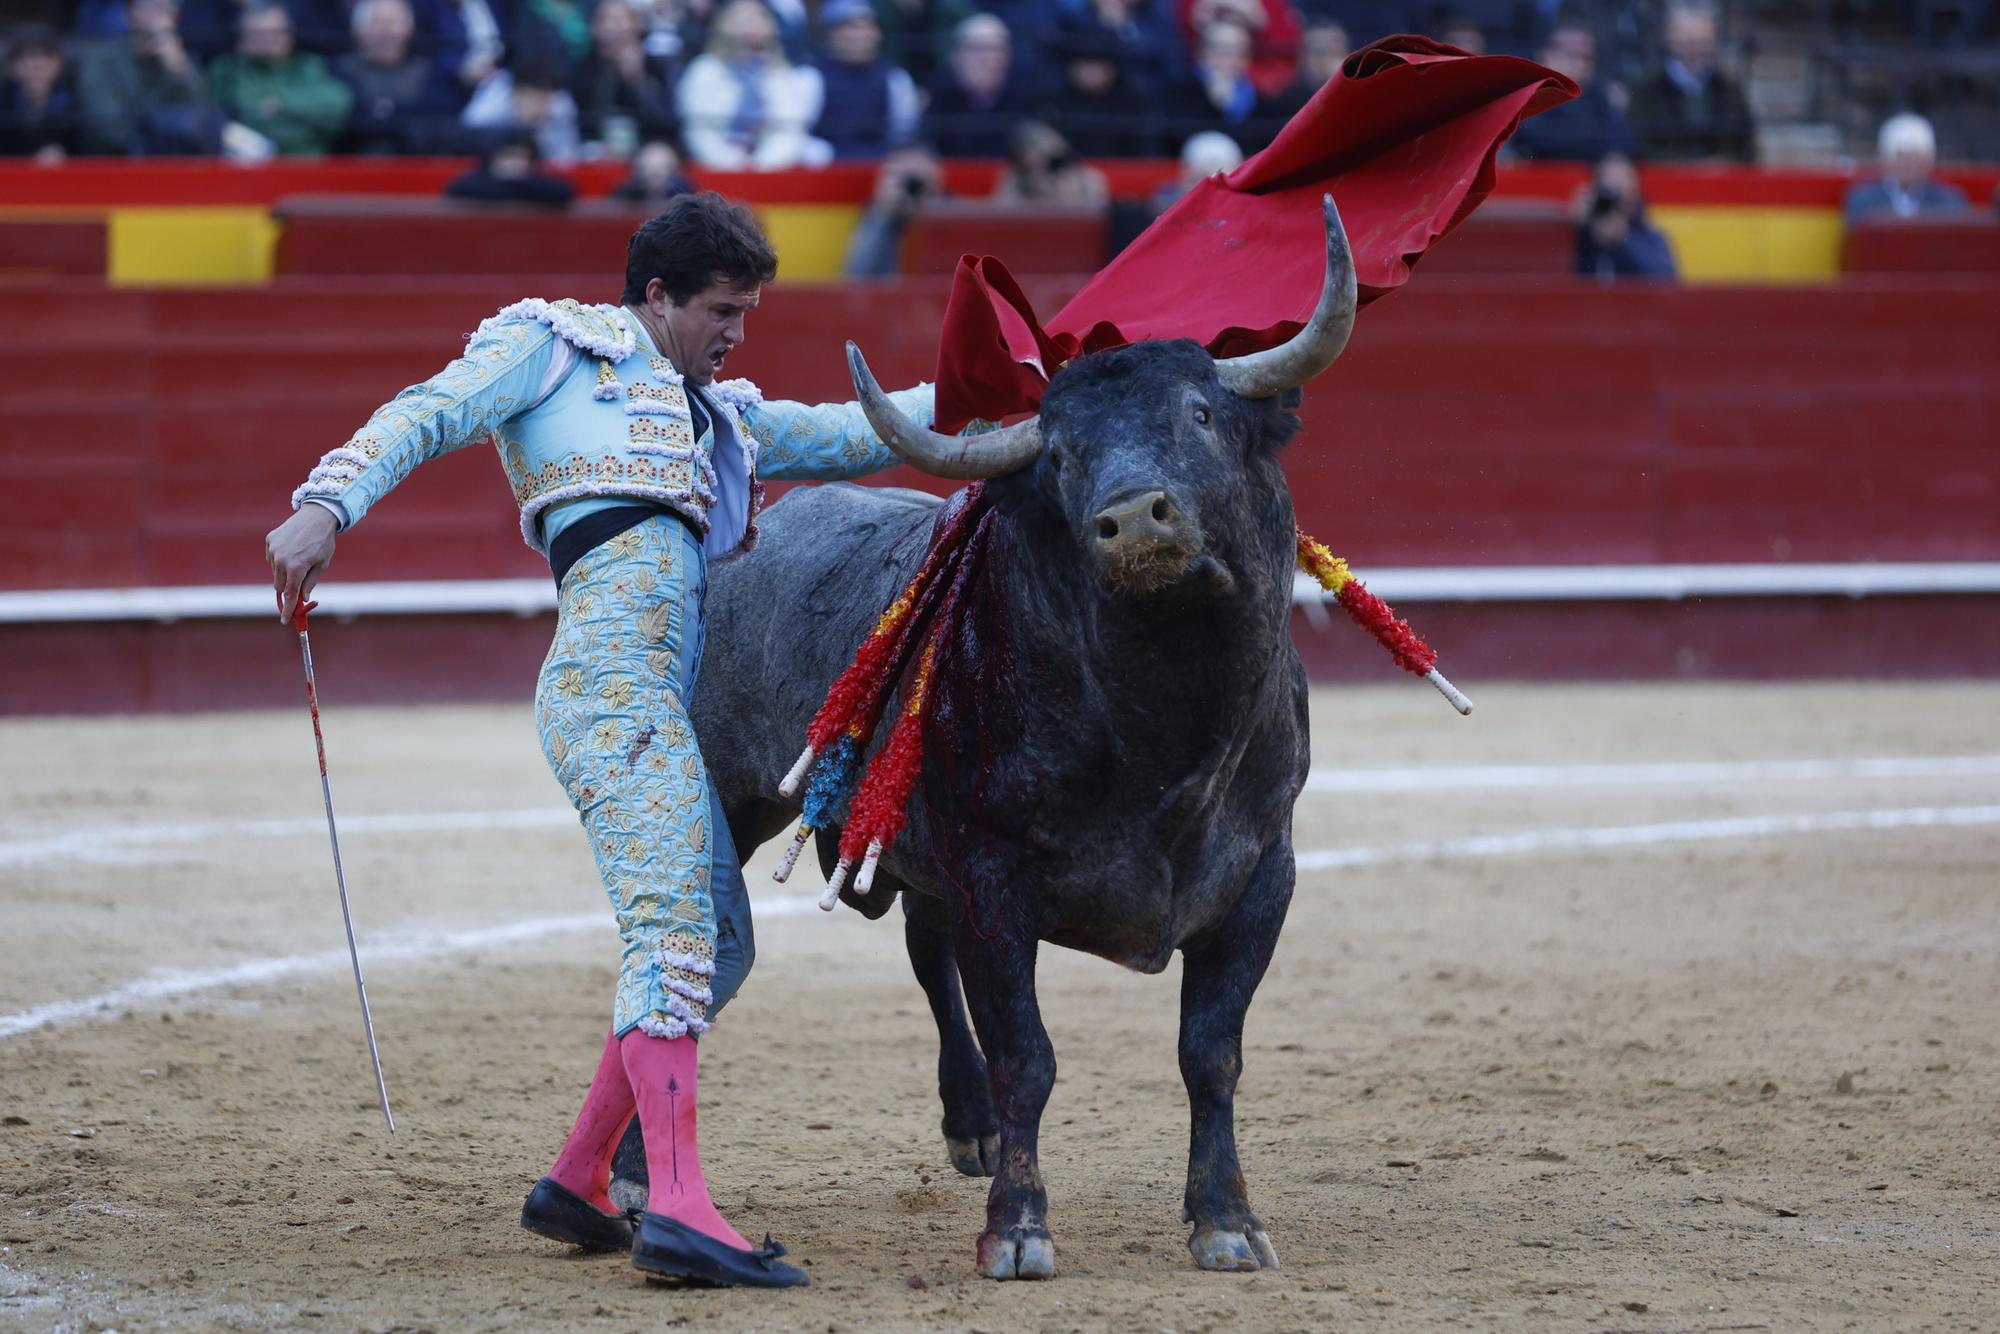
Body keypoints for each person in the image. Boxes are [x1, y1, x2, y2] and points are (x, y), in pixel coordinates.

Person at [266, 192, 947, 1289]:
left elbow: (862, 428)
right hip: (606, 688)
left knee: (715, 943)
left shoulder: (714, 412)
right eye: (722, 309)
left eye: (750, 311)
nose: (737, 331)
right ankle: (676, 1206)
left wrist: (1012, 378)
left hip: (648, 700)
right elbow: (428, 410)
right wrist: (327, 503)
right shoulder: (554, 345)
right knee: (677, 931)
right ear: (657, 295)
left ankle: (580, 1176)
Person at [675, 0, 830, 169]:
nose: (750, 26)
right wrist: (731, 163)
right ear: (724, 26)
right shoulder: (704, 70)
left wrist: (763, 164)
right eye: (742, 19)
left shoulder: (785, 74)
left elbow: (790, 129)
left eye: (758, 19)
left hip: (771, 169)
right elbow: (698, 130)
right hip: (715, 166)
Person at [74, 0, 223, 154]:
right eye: (154, 5)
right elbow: (108, 131)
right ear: (130, 15)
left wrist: (181, 73)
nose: (162, 14)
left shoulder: (184, 62)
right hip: (115, 164)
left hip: (175, 164)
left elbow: (205, 122)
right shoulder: (101, 61)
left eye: (169, 8)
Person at [205, 0, 353, 155]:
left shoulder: (308, 65)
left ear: (289, 35)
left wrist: (281, 104)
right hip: (246, 166)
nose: (269, 41)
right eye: (258, 34)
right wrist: (300, 117)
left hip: (307, 164)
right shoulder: (227, 70)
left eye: (276, 32)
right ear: (242, 39)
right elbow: (241, 115)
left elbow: (337, 106)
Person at [1627, 1, 1754, 162]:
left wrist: (1722, 164)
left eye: (1701, 38)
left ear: (1714, 39)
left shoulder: (1729, 89)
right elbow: (1638, 147)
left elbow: (1746, 149)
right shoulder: (1646, 89)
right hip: (1665, 183)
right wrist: (1685, 165)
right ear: (1668, 36)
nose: (1694, 44)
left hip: (1721, 182)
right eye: (1686, 36)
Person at [333, 0, 457, 153]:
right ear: (357, 30)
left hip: (419, 159)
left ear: (409, 30)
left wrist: (386, 111)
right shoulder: (339, 71)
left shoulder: (427, 71)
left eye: (393, 23)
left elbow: (444, 113)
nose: (385, 31)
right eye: (377, 22)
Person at [1506, 20, 1634, 163]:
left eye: (1588, 58)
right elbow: (1540, 140)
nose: (1582, 64)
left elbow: (1624, 139)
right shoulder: (1529, 92)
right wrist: (1560, 87)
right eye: (1573, 56)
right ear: (1547, 56)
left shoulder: (1598, 93)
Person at [569, 0, 680, 157]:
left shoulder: (656, 66)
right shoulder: (583, 69)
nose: (611, 27)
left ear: (638, 26)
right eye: (604, 20)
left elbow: (666, 125)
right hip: (594, 149)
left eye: (620, 20)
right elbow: (581, 119)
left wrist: (638, 80)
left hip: (646, 149)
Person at [810, 0, 919, 158]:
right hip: (826, 168)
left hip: (880, 164)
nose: (859, 35)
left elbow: (902, 130)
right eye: (850, 27)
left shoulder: (895, 77)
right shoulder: (810, 76)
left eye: (867, 27)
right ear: (830, 34)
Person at [922, 12, 1031, 157]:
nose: (988, 58)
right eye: (978, 49)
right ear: (957, 55)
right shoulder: (938, 93)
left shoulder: (1025, 93)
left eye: (997, 50)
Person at [1158, 18, 1276, 152]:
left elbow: (1259, 149)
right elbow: (1178, 140)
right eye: (1219, 50)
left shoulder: (1259, 100)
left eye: (1236, 52)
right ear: (1202, 53)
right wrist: (1215, 105)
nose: (1227, 59)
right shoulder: (1180, 92)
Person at [1039, 26, 1153, 157]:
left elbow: (1146, 152)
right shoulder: (1054, 100)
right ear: (1071, 68)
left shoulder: (1133, 101)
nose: (1089, 73)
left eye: (1096, 65)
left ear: (1112, 70)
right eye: (1084, 65)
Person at [1843, 112, 1970, 224]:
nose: (1907, 163)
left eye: (1914, 156)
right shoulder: (1862, 200)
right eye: (1900, 156)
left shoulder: (1949, 201)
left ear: (1929, 160)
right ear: (1884, 159)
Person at [842, 138, 943, 276]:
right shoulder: (880, 213)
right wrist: (882, 213)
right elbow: (858, 275)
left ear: (936, 171)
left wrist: (935, 206)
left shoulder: (961, 211)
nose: (912, 185)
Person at [460, 54, 582, 163]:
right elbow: (467, 133)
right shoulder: (493, 102)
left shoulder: (561, 107)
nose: (538, 106)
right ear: (516, 93)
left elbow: (566, 160)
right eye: (532, 97)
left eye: (544, 98)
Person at [1572, 152, 1676, 281]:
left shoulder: (1651, 237)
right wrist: (1574, 227)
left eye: (1624, 188)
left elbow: (1666, 281)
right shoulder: (1581, 233)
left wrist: (1623, 240)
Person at [0, 26, 80, 159]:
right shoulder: (3, 102)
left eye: (45, 58)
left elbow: (87, 152)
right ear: (12, 66)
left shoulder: (75, 102)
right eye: (27, 59)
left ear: (58, 65)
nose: (36, 67)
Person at [992, 118, 1107, 205]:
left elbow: (1097, 216)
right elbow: (1002, 214)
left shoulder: (1087, 179)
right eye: (1029, 154)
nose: (1039, 163)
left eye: (1049, 159)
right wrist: (1031, 193)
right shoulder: (1013, 179)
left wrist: (1067, 193)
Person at [443, 126, 576, 201]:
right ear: (491, 159)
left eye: (519, 157)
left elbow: (564, 191)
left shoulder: (540, 184)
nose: (512, 164)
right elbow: (457, 188)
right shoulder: (473, 184)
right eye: (506, 156)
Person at [612, 135, 695, 200]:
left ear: (676, 170)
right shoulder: (625, 195)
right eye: (649, 168)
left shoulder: (687, 195)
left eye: (662, 167)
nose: (655, 172)